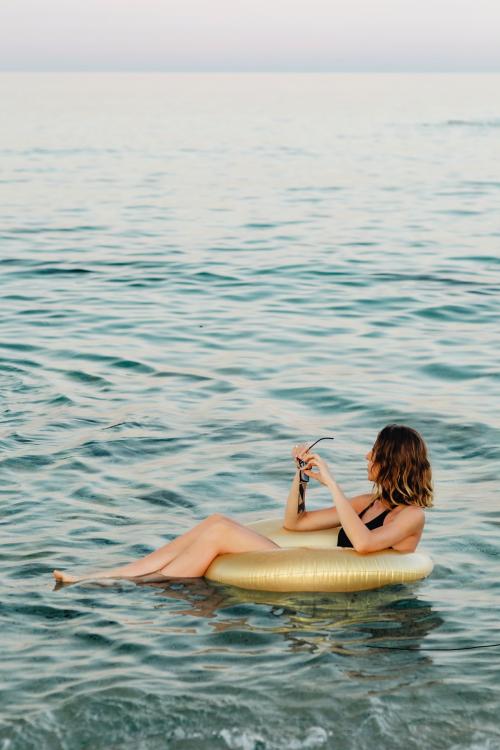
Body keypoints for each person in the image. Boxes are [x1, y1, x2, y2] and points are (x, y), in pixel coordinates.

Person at [52, 423, 433, 584]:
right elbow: (295, 526)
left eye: (375, 452)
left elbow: (365, 546)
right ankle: (116, 575)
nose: (368, 457)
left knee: (217, 529)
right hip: (300, 559)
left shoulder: (411, 516)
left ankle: (132, 582)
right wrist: (300, 479)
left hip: (320, 574)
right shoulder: (367, 502)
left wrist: (332, 483)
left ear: (392, 461)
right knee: (216, 522)